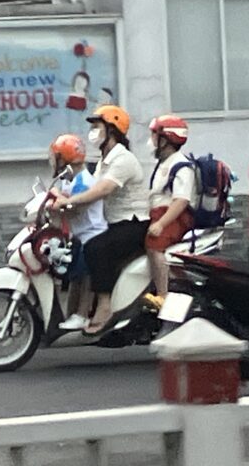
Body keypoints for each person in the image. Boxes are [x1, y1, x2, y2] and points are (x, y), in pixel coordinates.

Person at [52, 105, 149, 334]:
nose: (93, 131)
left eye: (98, 126)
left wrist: (69, 201)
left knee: (96, 247)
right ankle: (79, 311)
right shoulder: (104, 160)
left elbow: (102, 190)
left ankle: (105, 306)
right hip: (114, 222)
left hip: (133, 223)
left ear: (112, 130)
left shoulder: (123, 159)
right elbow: (89, 190)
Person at [49, 134, 107, 331]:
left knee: (84, 275)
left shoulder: (83, 181)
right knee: (74, 275)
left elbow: (73, 208)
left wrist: (55, 200)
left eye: (56, 156)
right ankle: (71, 314)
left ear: (64, 157)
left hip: (92, 235)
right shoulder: (68, 179)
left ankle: (82, 314)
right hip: (79, 234)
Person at [145, 115, 196, 307]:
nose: (150, 141)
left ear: (165, 140)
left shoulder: (181, 165)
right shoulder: (164, 164)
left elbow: (181, 201)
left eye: (154, 135)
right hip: (157, 212)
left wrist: (161, 224)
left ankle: (162, 294)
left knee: (154, 244)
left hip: (172, 216)